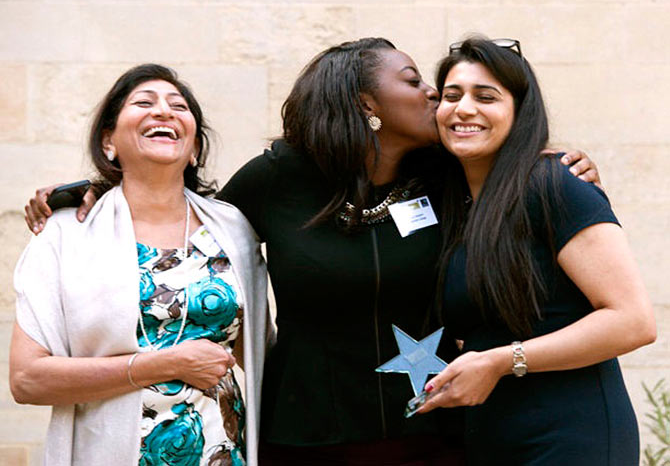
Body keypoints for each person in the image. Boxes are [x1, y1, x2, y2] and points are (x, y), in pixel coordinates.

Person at [21, 39, 601, 465]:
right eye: (413, 80)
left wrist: (562, 163)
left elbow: (515, 166)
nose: (433, 93)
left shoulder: (447, 176)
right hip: (304, 436)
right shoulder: (280, 177)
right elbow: (190, 215)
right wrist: (86, 192)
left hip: (432, 429)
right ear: (365, 103)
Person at [10, 64, 271, 466]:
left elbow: (258, 353)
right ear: (108, 141)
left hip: (223, 453)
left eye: (178, 106)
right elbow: (28, 380)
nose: (164, 112)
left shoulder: (233, 230)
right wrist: (164, 364)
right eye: (144, 103)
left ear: (195, 147)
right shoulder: (65, 232)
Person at [416, 37, 656, 465]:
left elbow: (633, 322)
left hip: (570, 437)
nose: (464, 108)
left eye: (486, 97)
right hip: (492, 438)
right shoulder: (458, 205)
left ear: (519, 111)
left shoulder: (555, 183)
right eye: (451, 96)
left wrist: (502, 361)